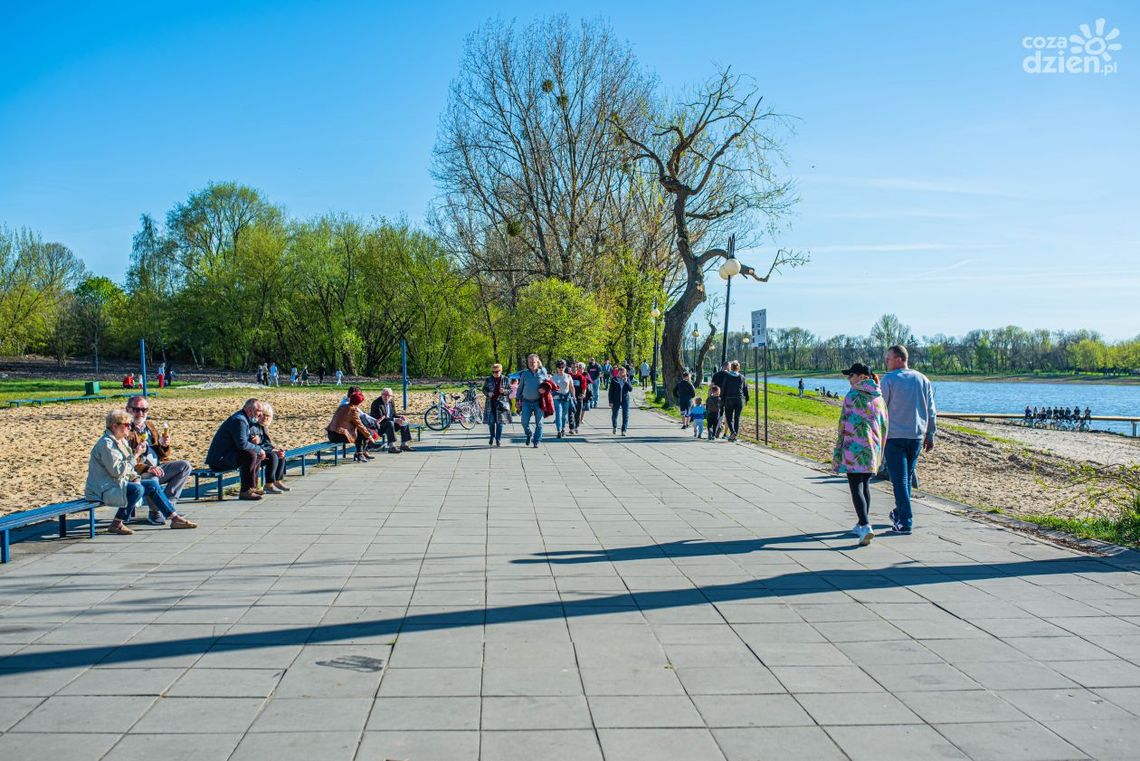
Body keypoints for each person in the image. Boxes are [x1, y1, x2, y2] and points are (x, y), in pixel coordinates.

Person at [87, 409, 197, 535]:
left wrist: (135, 477)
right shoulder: (106, 445)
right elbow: (117, 471)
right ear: (114, 426)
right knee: (136, 489)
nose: (130, 427)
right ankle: (117, 523)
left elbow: (128, 469)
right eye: (127, 425)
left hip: (116, 484)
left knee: (151, 485)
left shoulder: (121, 441)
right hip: (103, 488)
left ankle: (175, 518)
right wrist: (136, 455)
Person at [880, 344, 937, 535]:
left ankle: (905, 521)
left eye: (888, 358)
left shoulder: (889, 380)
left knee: (899, 480)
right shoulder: (923, 379)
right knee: (905, 478)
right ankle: (899, 513)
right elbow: (931, 410)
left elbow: (882, 409)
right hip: (916, 437)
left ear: (899, 359)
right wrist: (930, 433)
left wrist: (878, 435)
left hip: (895, 436)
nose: (886, 361)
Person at [832, 363, 889, 546]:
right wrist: (880, 449)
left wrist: (839, 448)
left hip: (853, 446)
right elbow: (884, 425)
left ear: (861, 376)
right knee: (865, 484)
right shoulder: (878, 396)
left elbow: (843, 423)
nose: (849, 379)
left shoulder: (853, 395)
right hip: (872, 448)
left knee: (855, 485)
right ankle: (861, 522)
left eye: (851, 376)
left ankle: (865, 525)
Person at [125, 395, 192, 526]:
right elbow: (127, 461)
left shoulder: (149, 426)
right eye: (136, 409)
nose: (140, 413)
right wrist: (146, 466)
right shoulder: (126, 430)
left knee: (185, 466)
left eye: (144, 410)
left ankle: (168, 506)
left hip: (157, 465)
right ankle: (155, 512)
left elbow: (162, 455)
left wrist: (163, 444)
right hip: (137, 472)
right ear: (128, 410)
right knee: (152, 477)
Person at [205, 398, 267, 500]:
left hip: (228, 455)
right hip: (220, 459)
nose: (261, 414)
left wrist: (256, 441)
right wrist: (258, 449)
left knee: (255, 453)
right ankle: (246, 491)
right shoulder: (239, 420)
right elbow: (242, 444)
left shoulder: (244, 419)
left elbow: (245, 439)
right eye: (259, 411)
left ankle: (253, 487)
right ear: (250, 410)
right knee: (250, 454)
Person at [327, 387, 374, 461]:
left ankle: (361, 452)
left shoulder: (343, 406)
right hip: (338, 435)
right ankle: (360, 453)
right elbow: (360, 425)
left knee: (361, 432)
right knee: (361, 432)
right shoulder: (352, 410)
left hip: (331, 434)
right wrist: (370, 437)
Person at [251, 402, 289, 492]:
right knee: (273, 456)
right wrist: (272, 450)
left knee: (281, 455)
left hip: (262, 452)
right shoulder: (254, 427)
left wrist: (276, 449)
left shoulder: (263, 427)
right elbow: (258, 445)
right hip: (255, 454)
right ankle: (268, 484)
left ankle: (277, 481)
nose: (265, 417)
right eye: (263, 415)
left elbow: (267, 443)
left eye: (268, 415)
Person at [517, 354, 549, 448]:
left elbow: (550, 385)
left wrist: (545, 389)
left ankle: (536, 441)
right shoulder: (524, 374)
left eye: (533, 362)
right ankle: (528, 433)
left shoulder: (543, 372)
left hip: (539, 402)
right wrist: (518, 400)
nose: (531, 364)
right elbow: (520, 388)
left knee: (539, 423)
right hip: (526, 401)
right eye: (529, 362)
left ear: (537, 362)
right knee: (524, 422)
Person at [370, 388, 413, 453]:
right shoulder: (376, 403)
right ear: (381, 395)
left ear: (391, 396)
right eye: (384, 395)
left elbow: (394, 415)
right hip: (379, 426)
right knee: (390, 423)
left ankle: (404, 444)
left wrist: (400, 417)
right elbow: (380, 418)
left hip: (390, 424)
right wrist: (395, 420)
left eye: (388, 395)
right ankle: (391, 446)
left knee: (404, 422)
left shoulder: (391, 402)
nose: (386, 397)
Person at [716, 360, 749, 442]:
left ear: (731, 368)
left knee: (729, 418)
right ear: (738, 368)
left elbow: (723, 388)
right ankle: (734, 436)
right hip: (739, 399)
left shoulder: (727, 376)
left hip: (729, 399)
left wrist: (721, 398)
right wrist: (747, 398)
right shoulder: (742, 377)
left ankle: (733, 432)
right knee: (737, 418)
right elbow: (745, 389)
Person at [482, 363, 511, 447]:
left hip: (501, 405)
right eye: (493, 371)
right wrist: (488, 393)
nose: (495, 373)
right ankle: (492, 436)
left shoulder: (506, 379)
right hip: (490, 404)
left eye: (497, 371)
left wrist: (504, 391)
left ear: (501, 371)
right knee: (491, 422)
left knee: (500, 423)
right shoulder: (488, 379)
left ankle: (498, 439)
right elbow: (484, 389)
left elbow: (510, 390)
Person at [608, 366, 633, 436]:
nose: (622, 374)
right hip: (616, 400)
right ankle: (614, 426)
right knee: (614, 414)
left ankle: (623, 430)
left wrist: (626, 382)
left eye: (623, 373)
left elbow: (630, 389)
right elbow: (611, 391)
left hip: (625, 399)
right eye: (621, 372)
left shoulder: (627, 379)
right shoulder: (614, 380)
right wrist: (610, 401)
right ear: (618, 373)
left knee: (626, 415)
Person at [551, 360, 573, 438]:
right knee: (558, 414)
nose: (561, 369)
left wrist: (574, 397)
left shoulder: (568, 376)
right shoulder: (553, 377)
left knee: (564, 415)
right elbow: (551, 389)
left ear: (565, 367)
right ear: (557, 368)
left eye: (562, 367)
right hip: (556, 398)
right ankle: (559, 431)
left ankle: (563, 428)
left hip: (566, 398)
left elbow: (571, 387)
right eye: (559, 367)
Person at [570, 362, 591, 433]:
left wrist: (583, 394)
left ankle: (576, 426)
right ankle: (571, 428)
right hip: (570, 397)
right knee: (570, 412)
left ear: (577, 368)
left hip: (578, 397)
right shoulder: (568, 376)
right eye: (572, 367)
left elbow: (584, 387)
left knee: (578, 412)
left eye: (575, 367)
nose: (573, 369)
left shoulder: (581, 377)